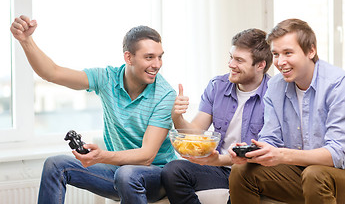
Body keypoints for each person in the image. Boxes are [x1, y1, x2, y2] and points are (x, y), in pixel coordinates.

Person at [10, 15, 177, 204]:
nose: (157, 65)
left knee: (127, 173)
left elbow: (147, 156)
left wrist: (103, 156)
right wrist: (26, 41)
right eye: (149, 57)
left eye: (160, 57)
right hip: (119, 172)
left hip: (156, 177)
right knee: (55, 165)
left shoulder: (165, 94)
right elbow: (52, 73)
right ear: (128, 57)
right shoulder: (107, 79)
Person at [229, 18, 345, 204]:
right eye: (275, 54)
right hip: (301, 175)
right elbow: (270, 139)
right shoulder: (275, 86)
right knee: (241, 172)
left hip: (336, 176)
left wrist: (282, 155)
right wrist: (251, 153)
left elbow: (337, 153)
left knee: (314, 174)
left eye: (288, 53)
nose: (280, 62)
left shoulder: (337, 84)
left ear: (311, 51)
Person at [161, 28, 273, 204]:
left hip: (251, 170)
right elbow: (196, 132)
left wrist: (219, 160)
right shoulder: (217, 86)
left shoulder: (275, 95)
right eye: (231, 57)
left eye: (239, 60)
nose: (230, 64)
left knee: (240, 176)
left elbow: (267, 152)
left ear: (260, 65)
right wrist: (177, 117)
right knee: (172, 171)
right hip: (220, 168)